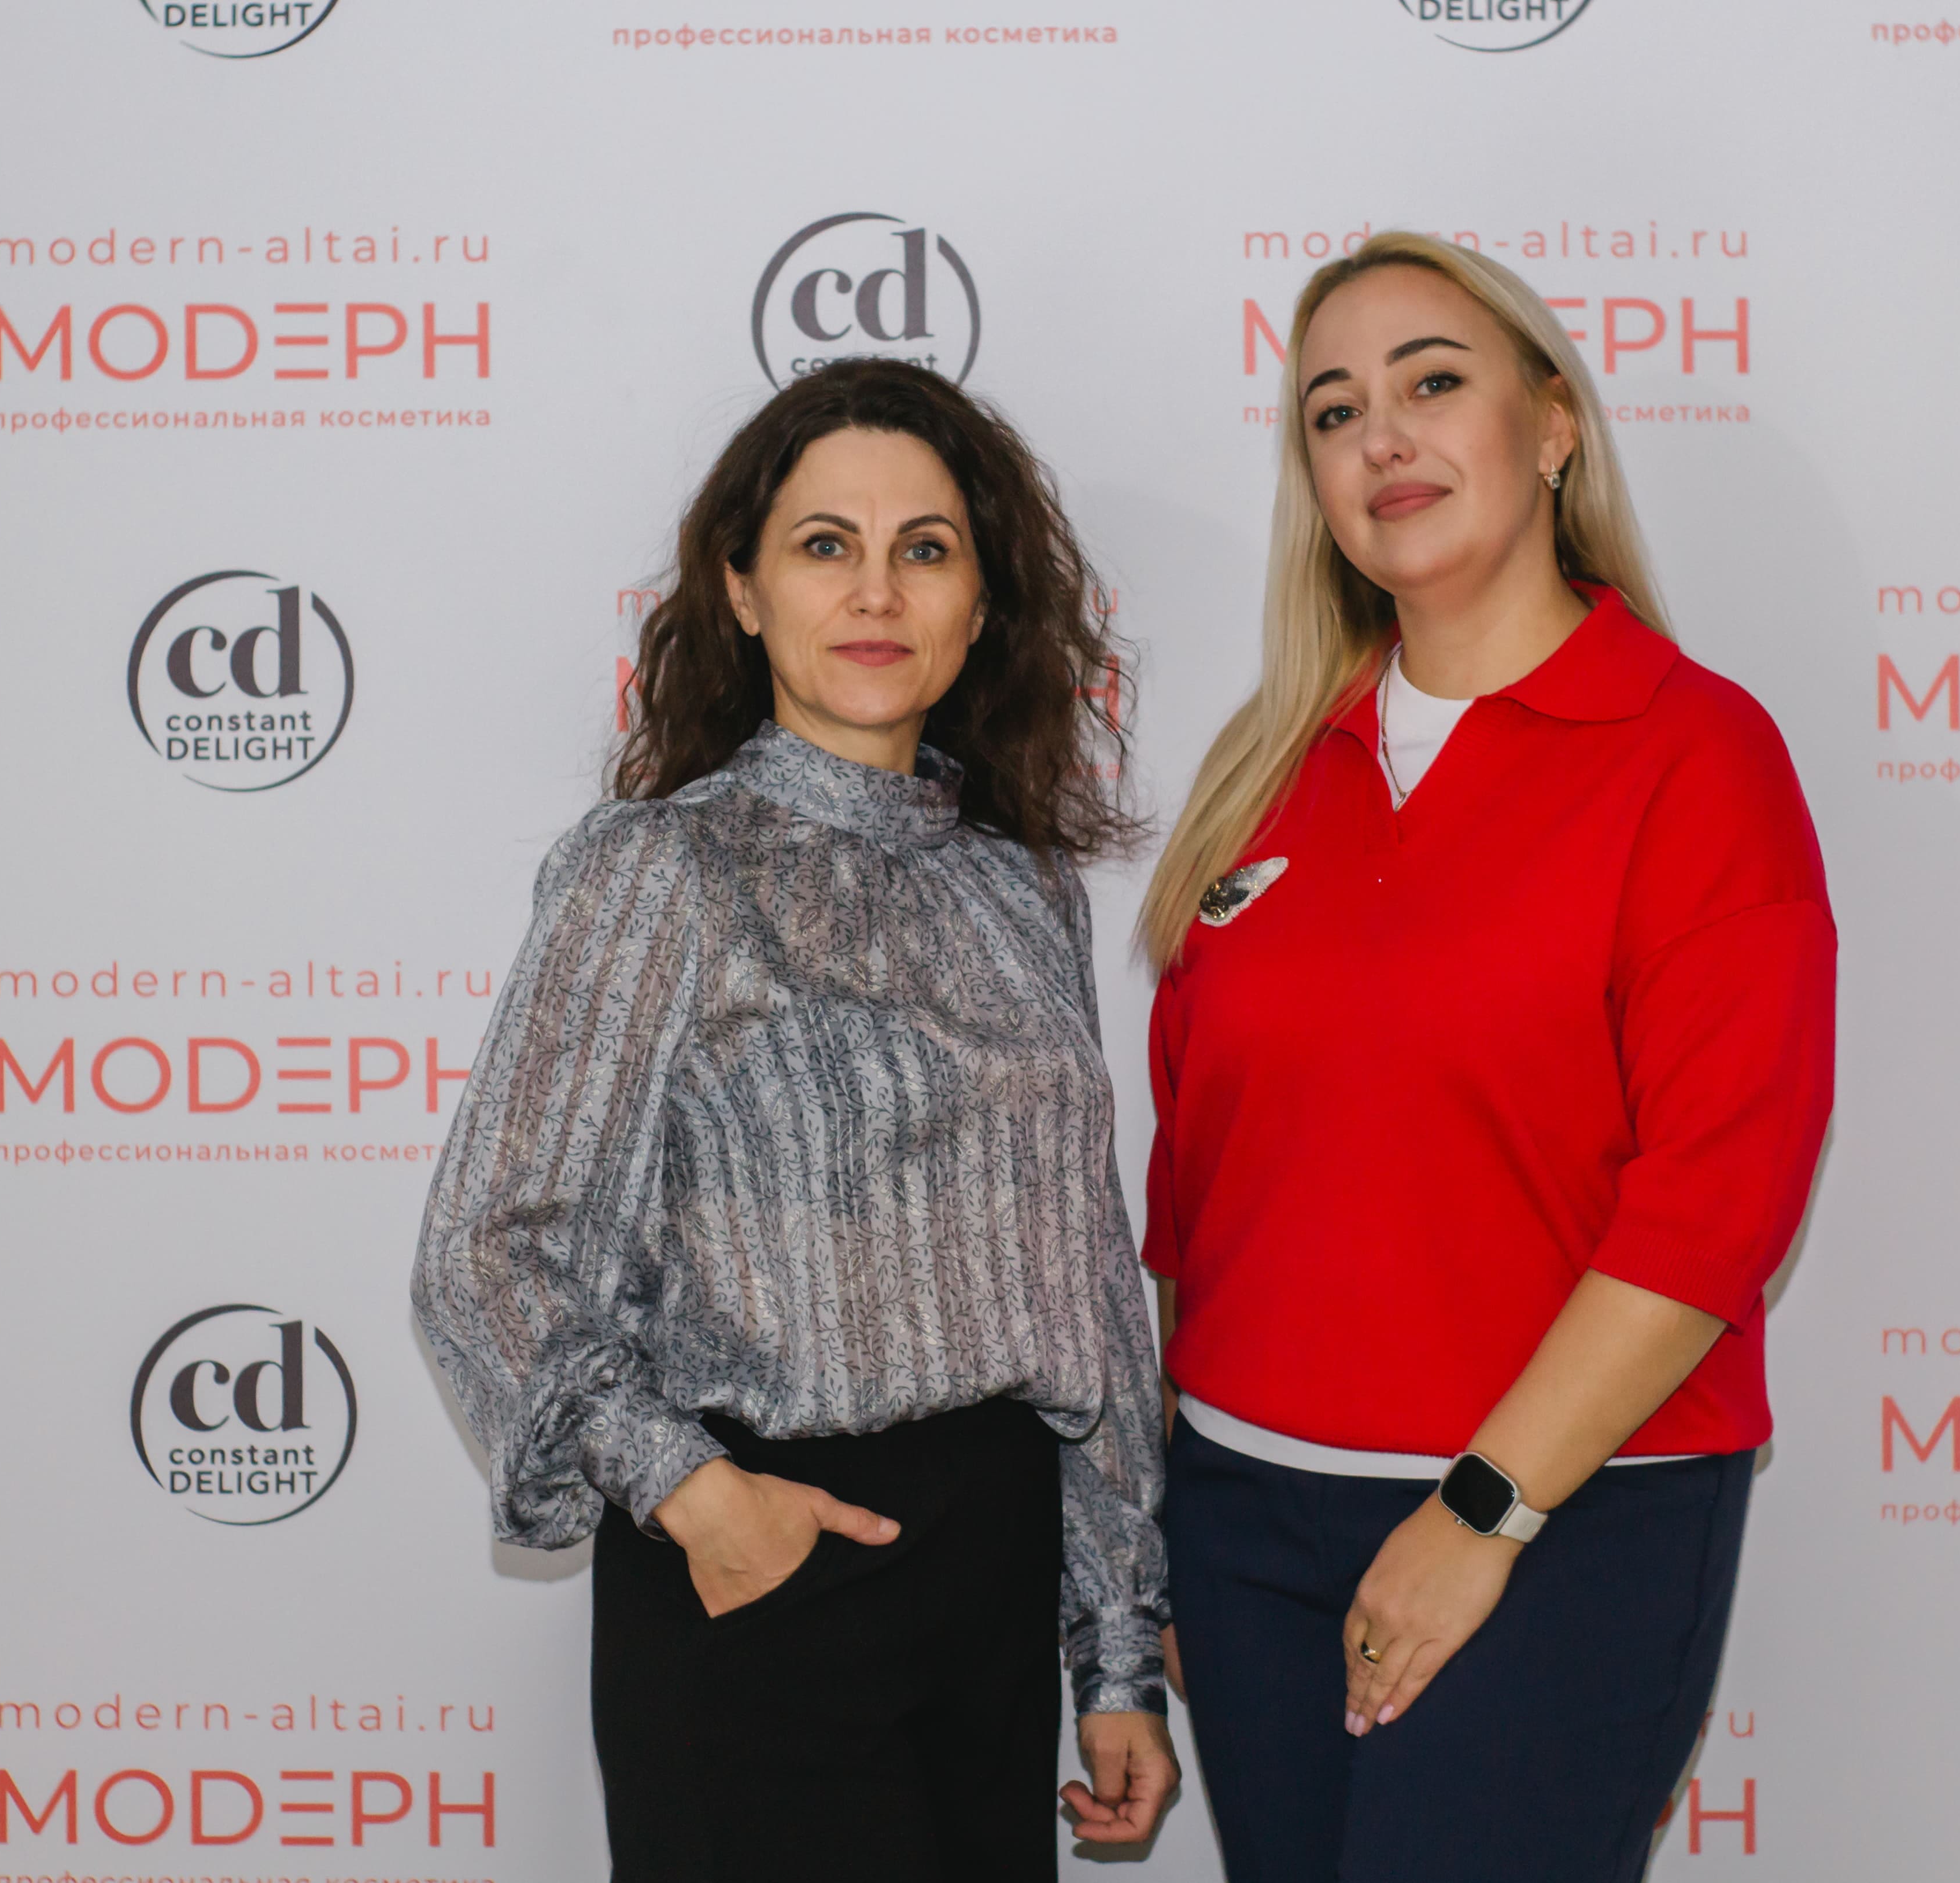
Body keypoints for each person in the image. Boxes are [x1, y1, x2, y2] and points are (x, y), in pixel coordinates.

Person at [413, 358, 1177, 1882]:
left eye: (925, 549)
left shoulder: (1023, 888)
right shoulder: (657, 870)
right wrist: (694, 1494)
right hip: (760, 1569)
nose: (876, 591)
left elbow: (1085, 1288)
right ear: (743, 590)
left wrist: (1115, 1650)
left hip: (994, 1569)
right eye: (826, 544)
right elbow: (493, 1253)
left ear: (981, 605)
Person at [1137, 232, 1836, 1881]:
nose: (1381, 436)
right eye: (1333, 411)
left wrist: (1480, 1512)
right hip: (1245, 1525)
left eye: (1432, 383)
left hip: (1557, 1527)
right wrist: (1180, 1517)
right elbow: (1196, 1188)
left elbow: (1717, 1200)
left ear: (1552, 426)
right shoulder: (1265, 768)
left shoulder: (1694, 753)